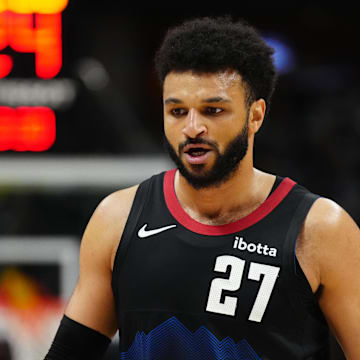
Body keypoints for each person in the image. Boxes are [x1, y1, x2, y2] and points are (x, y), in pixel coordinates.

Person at [44, 16, 360, 360]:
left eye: (213, 110)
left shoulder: (320, 229)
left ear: (255, 116)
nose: (192, 128)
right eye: (177, 111)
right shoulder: (117, 219)